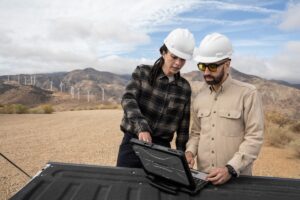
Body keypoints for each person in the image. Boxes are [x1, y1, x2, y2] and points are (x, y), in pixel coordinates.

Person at [185, 33, 264, 185]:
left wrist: (230, 169)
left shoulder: (248, 94)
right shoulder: (199, 98)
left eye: (213, 66)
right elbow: (196, 133)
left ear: (227, 64)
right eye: (202, 66)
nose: (206, 72)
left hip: (237, 180)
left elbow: (254, 137)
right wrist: (190, 152)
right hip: (204, 179)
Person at [116, 28, 195, 168]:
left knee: (156, 189)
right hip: (133, 141)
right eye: (174, 56)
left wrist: (182, 155)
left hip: (163, 149)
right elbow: (128, 99)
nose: (178, 63)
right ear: (164, 52)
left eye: (182, 59)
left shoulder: (185, 88)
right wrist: (142, 127)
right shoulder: (143, 72)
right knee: (123, 184)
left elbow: (183, 127)